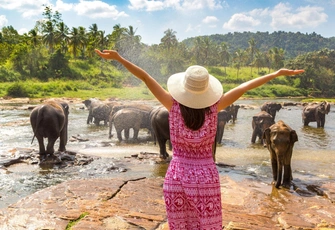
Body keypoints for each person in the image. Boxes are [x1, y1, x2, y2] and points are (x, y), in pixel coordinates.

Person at [95, 49, 304, 229]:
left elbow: (146, 78)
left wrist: (119, 58)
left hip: (176, 176)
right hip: (206, 178)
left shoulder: (172, 106)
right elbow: (244, 87)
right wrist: (276, 73)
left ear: (183, 88)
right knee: (208, 225)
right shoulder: (214, 110)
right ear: (207, 90)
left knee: (179, 225)